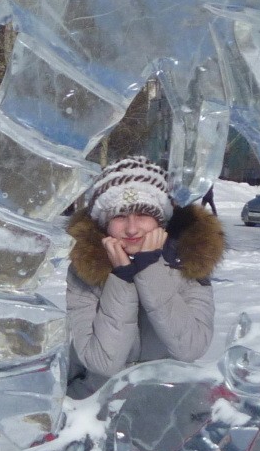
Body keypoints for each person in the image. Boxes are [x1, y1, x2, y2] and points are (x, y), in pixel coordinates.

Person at [65, 156, 221, 398]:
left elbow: (190, 347)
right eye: (119, 216)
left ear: (162, 219)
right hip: (96, 404)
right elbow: (103, 362)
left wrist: (149, 270)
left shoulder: (188, 262)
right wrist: (121, 278)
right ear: (104, 224)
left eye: (143, 215)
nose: (131, 228)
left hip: (167, 403)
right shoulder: (85, 270)